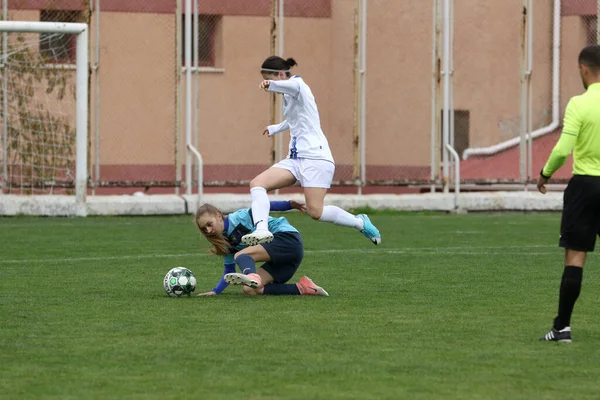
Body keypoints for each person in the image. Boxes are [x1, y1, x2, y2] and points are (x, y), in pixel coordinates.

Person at [240, 55, 381, 247]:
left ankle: (360, 222)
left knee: (316, 212)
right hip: (295, 159)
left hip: (316, 157)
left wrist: (270, 84)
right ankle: (262, 230)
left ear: (281, 74)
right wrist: (276, 128)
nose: (267, 83)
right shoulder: (288, 96)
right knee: (257, 184)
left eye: (270, 77)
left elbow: (291, 86)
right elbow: (295, 119)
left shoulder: (299, 85)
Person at [537, 44, 600, 343]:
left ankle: (562, 327)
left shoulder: (578, 103)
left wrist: (545, 173)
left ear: (584, 70)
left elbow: (563, 150)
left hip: (585, 187)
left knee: (575, 258)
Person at [194, 201, 329, 297]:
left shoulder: (239, 217)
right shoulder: (225, 242)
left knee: (241, 256)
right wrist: (215, 291)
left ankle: (252, 276)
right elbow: (229, 272)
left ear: (218, 216)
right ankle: (303, 288)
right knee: (250, 289)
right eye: (204, 229)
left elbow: (262, 205)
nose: (208, 230)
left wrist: (289, 204)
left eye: (209, 224)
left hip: (287, 238)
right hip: (286, 260)